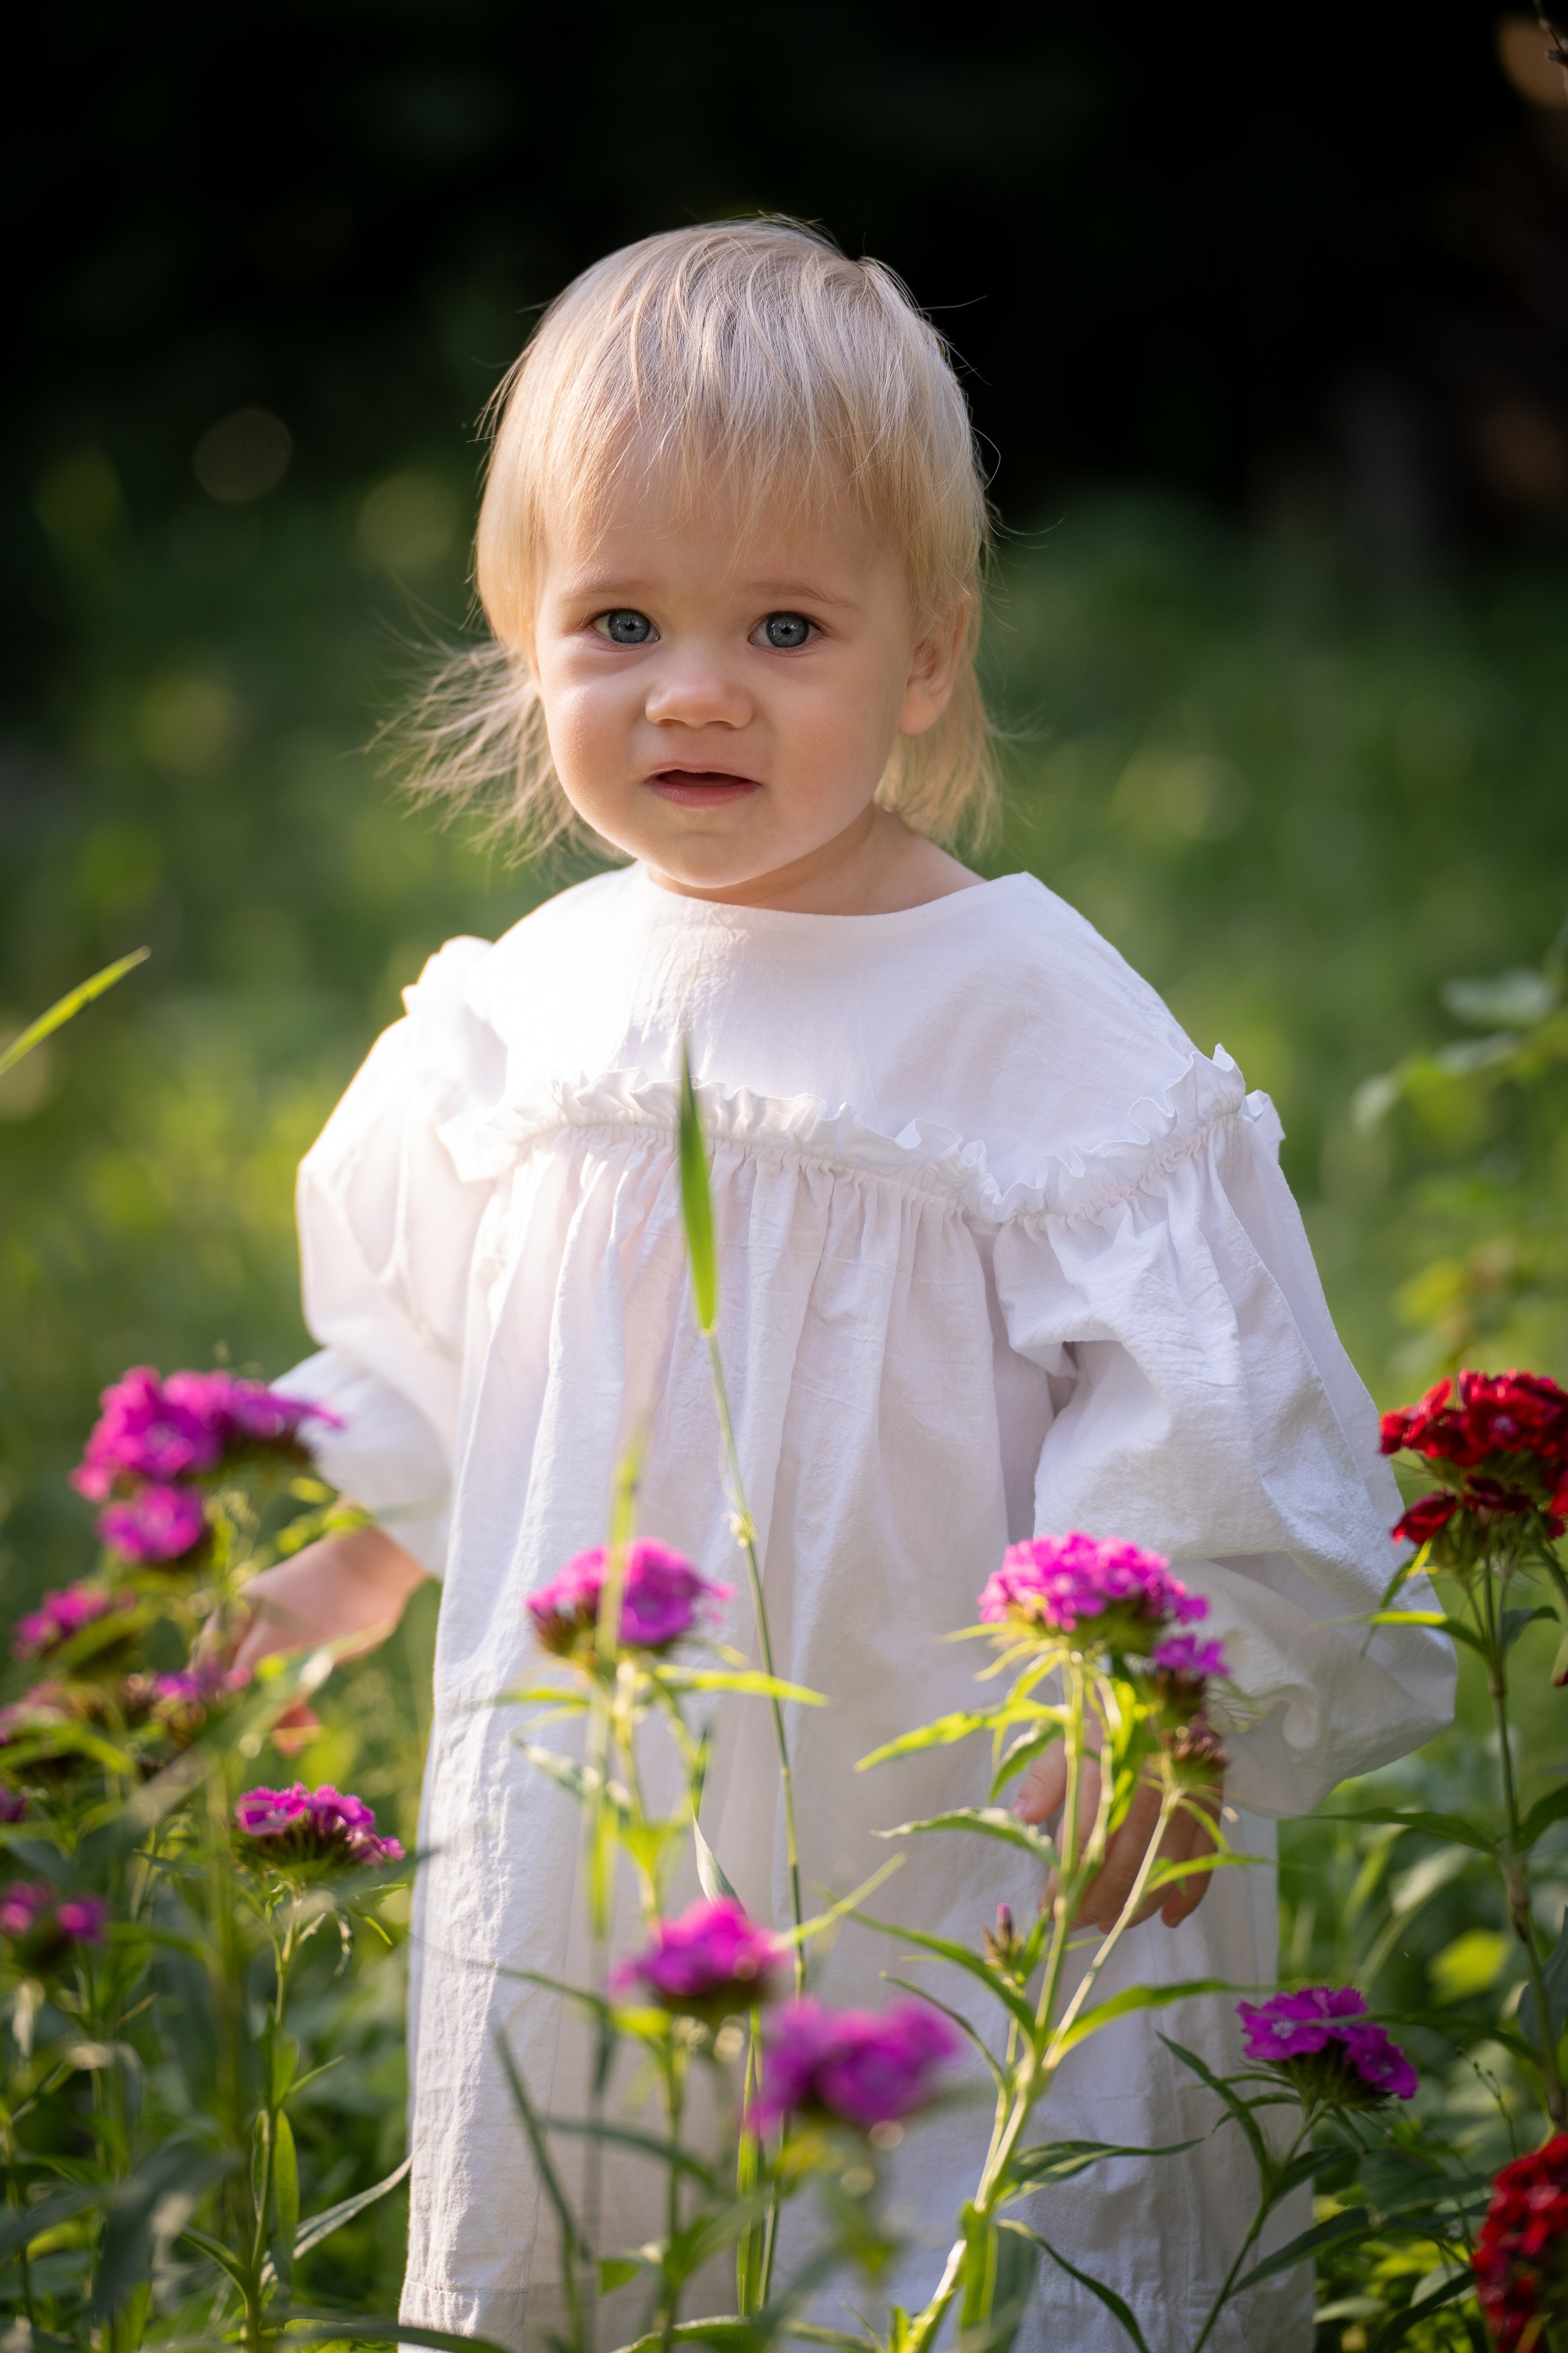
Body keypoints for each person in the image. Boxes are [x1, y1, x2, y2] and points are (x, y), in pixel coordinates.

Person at [239, 220, 1452, 2353]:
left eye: (783, 623)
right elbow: (444, 1339)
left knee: (945, 2238)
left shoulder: (1019, 1014)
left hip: (950, 1799)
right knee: (627, 2175)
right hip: (619, 1791)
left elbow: (1192, 1396)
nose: (692, 687)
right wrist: (348, 1549)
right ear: (526, 639)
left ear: (923, 658)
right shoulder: (531, 1018)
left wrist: (1159, 1701)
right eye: (620, 618)